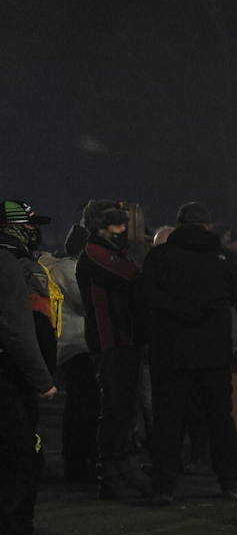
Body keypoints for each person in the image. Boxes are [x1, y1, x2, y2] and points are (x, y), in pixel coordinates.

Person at [136, 201, 237, 504]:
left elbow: (143, 296)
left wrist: (175, 312)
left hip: (170, 353)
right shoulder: (222, 260)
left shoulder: (159, 257)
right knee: (220, 418)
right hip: (213, 354)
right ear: (207, 226)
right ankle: (230, 481)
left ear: (178, 226)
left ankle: (164, 486)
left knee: (168, 421)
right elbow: (235, 296)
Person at [76, 201, 153, 499]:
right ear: (100, 227)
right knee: (116, 411)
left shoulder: (107, 252)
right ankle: (111, 476)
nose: (124, 230)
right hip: (111, 343)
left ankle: (124, 469)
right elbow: (132, 276)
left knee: (124, 411)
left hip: (123, 341)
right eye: (118, 225)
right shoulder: (96, 254)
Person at [0, 200, 58, 535]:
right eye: (29, 223)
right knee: (19, 456)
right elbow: (17, 330)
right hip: (8, 375)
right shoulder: (8, 265)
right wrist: (43, 380)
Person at [46, 217, 98, 482]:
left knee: (79, 406)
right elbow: (89, 301)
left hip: (66, 345)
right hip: (76, 346)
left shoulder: (55, 267)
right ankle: (78, 463)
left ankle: (76, 461)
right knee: (83, 406)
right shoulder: (70, 270)